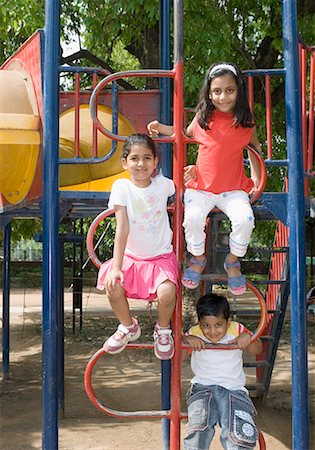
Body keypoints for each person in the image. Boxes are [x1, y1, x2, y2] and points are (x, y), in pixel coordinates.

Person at [147, 62, 262, 295]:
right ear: (209, 94)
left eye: (229, 90)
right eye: (217, 91)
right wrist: (162, 128)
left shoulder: (245, 124)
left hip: (233, 189)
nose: (223, 96)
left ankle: (232, 260)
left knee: (245, 219)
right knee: (193, 219)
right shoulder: (203, 118)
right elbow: (184, 135)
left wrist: (257, 181)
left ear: (239, 90)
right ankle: (198, 257)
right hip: (201, 188)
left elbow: (255, 151)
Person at [97, 133, 178, 360]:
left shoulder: (163, 185)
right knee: (112, 286)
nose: (141, 164)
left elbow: (183, 187)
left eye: (147, 158)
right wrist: (116, 267)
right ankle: (127, 327)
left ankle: (163, 330)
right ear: (125, 162)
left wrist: (192, 173)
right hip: (132, 257)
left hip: (160, 257)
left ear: (155, 162)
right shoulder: (121, 187)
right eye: (134, 158)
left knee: (167, 292)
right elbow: (122, 228)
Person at [182, 293, 263, 450]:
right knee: (198, 430)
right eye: (206, 325)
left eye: (218, 325)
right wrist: (185, 341)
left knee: (238, 435)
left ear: (228, 322)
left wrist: (248, 338)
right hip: (202, 388)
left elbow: (258, 348)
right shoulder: (194, 332)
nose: (212, 331)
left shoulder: (237, 329)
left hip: (234, 390)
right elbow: (178, 359)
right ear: (199, 323)